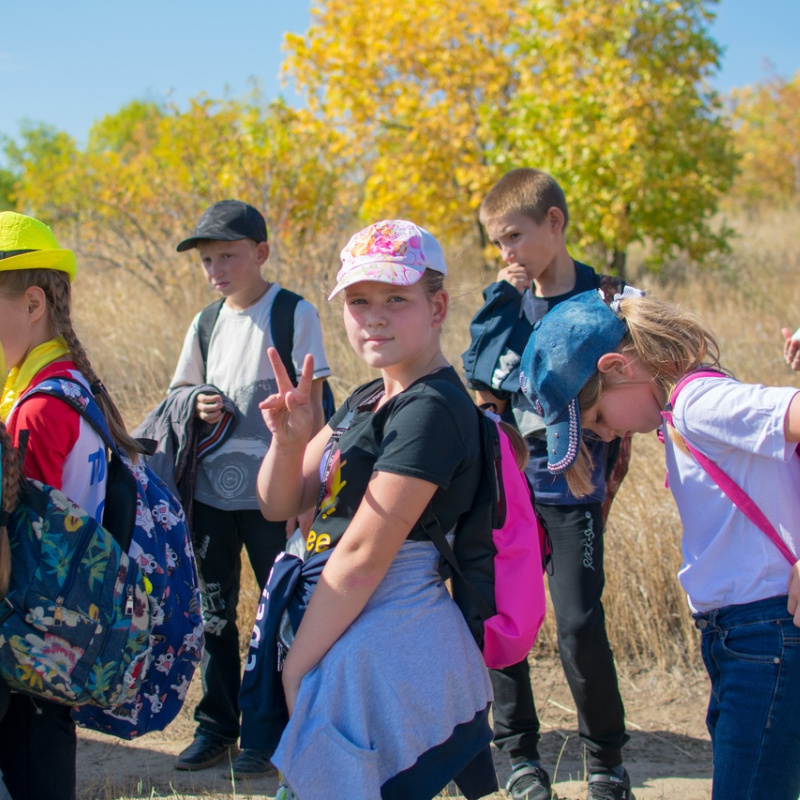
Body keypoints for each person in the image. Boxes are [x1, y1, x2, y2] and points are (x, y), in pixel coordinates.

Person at [520, 288, 800, 800]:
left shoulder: (697, 403)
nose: (605, 435)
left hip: (764, 634)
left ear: (616, 367)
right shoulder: (684, 410)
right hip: (744, 636)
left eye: (596, 418)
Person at [255, 220, 497, 800]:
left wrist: (297, 668)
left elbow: (364, 555)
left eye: (396, 299)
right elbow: (279, 503)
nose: (375, 317)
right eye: (359, 301)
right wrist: (288, 442)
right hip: (345, 623)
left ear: (438, 307)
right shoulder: (371, 396)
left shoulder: (430, 408)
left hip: (383, 633)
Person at [466, 168, 633, 800]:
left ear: (555, 223)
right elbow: (483, 385)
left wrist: (602, 435)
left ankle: (606, 763)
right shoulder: (504, 304)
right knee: (505, 615)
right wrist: (500, 304)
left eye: (515, 236)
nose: (506, 252)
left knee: (579, 621)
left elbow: (648, 378)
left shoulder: (611, 297)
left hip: (576, 483)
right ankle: (518, 756)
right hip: (511, 485)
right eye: (497, 242)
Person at [169, 200, 331, 777]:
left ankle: (272, 733)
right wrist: (196, 403)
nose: (216, 269)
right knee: (215, 615)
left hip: (274, 502)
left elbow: (317, 410)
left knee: (280, 614)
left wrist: (308, 497)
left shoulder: (293, 313)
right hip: (211, 498)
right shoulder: (204, 323)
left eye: (228, 256)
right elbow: (178, 394)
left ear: (260, 252)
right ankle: (216, 727)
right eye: (207, 260)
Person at [0, 211, 143, 800]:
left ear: (33, 303)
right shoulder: (71, 383)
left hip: (27, 628)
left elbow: (13, 538)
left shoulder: (35, 411)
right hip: (64, 622)